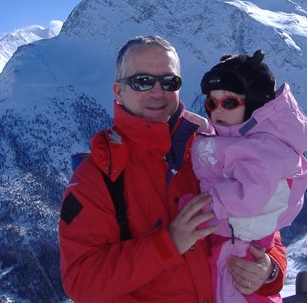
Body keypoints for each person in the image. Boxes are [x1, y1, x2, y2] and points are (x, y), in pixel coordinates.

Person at [58, 36, 287, 303]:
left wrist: (269, 270)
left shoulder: (214, 151)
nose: (158, 92)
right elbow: (81, 281)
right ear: (118, 91)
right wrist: (168, 244)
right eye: (142, 81)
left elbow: (264, 224)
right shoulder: (97, 177)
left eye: (169, 82)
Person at [190, 50, 307, 303]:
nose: (217, 112)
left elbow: (249, 200)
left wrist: (198, 205)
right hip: (233, 244)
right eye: (211, 104)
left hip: (237, 247)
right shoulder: (237, 138)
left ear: (255, 104)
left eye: (230, 102)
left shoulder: (261, 147)